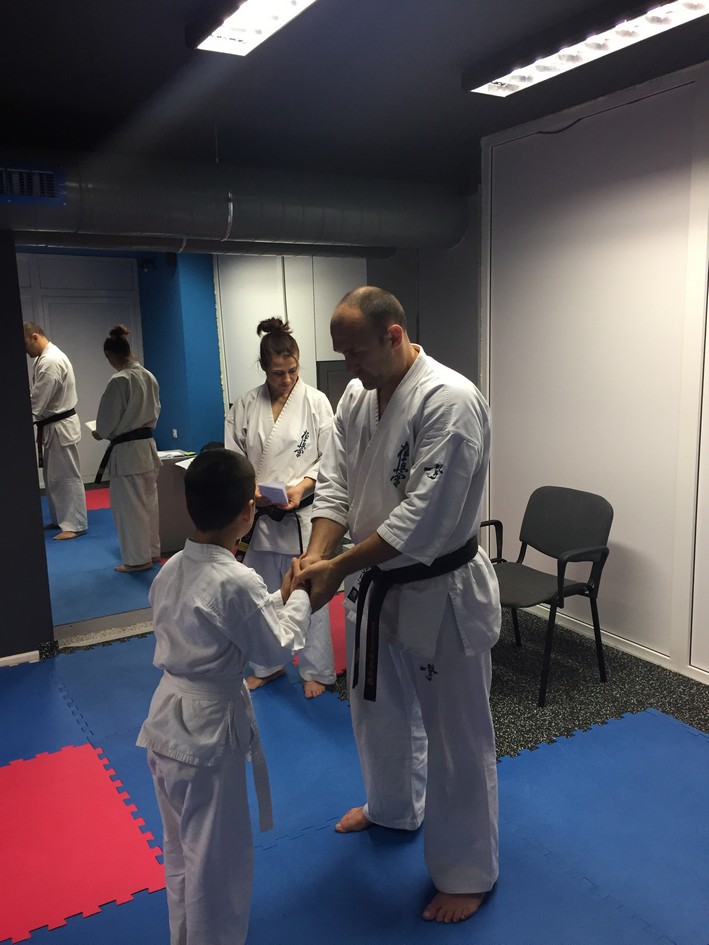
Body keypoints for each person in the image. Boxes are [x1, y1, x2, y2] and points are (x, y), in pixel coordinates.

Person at [296, 286, 501, 924]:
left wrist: (337, 567)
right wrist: (315, 557)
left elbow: (423, 519)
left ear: (394, 335)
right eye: (341, 354)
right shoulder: (357, 397)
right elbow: (335, 485)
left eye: (355, 352)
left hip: (441, 591)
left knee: (457, 737)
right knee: (375, 710)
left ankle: (468, 871)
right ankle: (391, 807)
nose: (347, 366)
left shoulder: (450, 401)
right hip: (372, 585)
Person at [136, 448, 312, 945]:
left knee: (180, 852)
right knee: (216, 863)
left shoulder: (171, 568)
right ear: (248, 511)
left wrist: (278, 597)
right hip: (207, 738)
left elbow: (230, 623)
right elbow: (272, 647)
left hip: (165, 723)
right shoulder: (237, 580)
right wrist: (301, 596)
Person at [224, 317, 336, 698]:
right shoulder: (244, 405)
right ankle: (267, 665)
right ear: (263, 368)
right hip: (259, 516)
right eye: (277, 373)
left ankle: (316, 669)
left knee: (308, 590)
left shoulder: (316, 403)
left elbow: (331, 458)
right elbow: (234, 455)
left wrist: (303, 485)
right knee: (261, 594)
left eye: (292, 370)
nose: (287, 379)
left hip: (301, 515)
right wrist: (250, 487)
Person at [92, 325, 162, 572]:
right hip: (147, 448)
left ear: (110, 355)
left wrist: (99, 432)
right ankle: (152, 552)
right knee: (149, 505)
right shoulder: (149, 376)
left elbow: (105, 424)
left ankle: (137, 559)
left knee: (130, 510)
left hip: (128, 453)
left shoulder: (119, 380)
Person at [24, 322, 88, 540]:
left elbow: (37, 402)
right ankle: (61, 519)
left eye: (25, 344)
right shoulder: (44, 358)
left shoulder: (50, 361)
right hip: (53, 426)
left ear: (34, 337)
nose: (25, 351)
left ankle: (75, 524)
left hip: (60, 427)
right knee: (54, 479)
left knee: (67, 477)